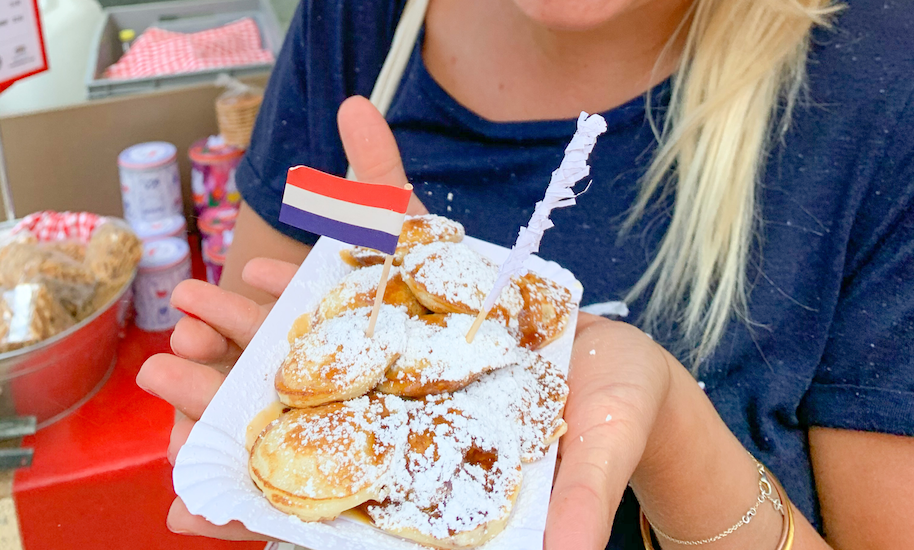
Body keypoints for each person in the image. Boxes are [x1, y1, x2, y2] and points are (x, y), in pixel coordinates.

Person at [137, 0, 914, 548]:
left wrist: (676, 443)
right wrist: (283, 427)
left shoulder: (879, 83)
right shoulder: (361, 22)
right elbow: (261, 341)